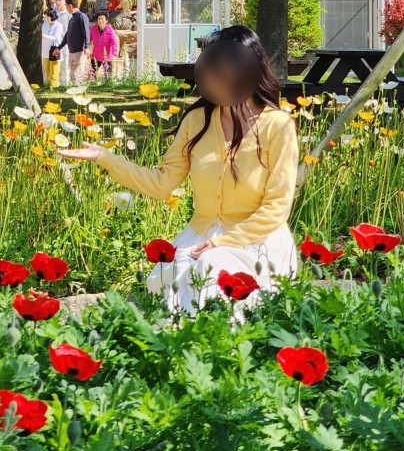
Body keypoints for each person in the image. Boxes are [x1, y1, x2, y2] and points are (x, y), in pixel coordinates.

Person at [58, 25, 299, 323]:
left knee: (211, 267)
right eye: (212, 67)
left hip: (256, 241)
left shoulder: (278, 125)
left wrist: (224, 242)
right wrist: (106, 158)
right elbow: (162, 184)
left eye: (226, 67)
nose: (217, 75)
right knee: (174, 276)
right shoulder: (197, 121)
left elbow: (276, 206)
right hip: (201, 236)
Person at [62, 0, 91, 84]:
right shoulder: (72, 19)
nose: (66, 8)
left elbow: (86, 32)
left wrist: (86, 46)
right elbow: (68, 34)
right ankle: (73, 93)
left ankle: (78, 93)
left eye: (66, 6)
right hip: (71, 51)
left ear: (70, 6)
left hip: (79, 51)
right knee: (72, 75)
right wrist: (59, 47)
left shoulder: (82, 17)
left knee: (77, 75)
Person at [89, 10, 120, 82]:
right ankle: (92, 87)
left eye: (102, 19)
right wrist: (88, 49)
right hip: (96, 56)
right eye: (99, 19)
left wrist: (114, 54)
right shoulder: (93, 29)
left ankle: (107, 87)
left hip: (107, 57)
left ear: (106, 20)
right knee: (92, 75)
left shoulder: (110, 30)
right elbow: (89, 40)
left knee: (108, 76)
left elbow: (114, 43)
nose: (100, 21)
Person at [41, 7, 66, 88]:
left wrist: (44, 36)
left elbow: (56, 37)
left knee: (54, 71)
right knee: (47, 71)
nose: (45, 18)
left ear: (52, 16)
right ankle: (48, 86)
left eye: (47, 16)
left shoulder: (59, 25)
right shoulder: (44, 25)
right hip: (45, 50)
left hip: (54, 49)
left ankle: (54, 86)